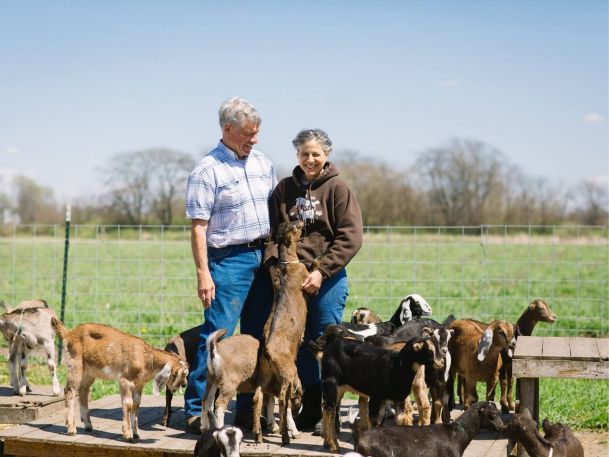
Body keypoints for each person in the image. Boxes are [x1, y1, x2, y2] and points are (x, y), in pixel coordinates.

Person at [184, 97, 277, 433]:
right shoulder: (207, 170)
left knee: (256, 337)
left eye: (256, 133)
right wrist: (203, 273)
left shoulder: (263, 163)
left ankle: (245, 409)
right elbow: (198, 226)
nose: (254, 139)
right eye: (248, 133)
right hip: (227, 260)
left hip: (262, 257)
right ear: (227, 129)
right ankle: (197, 409)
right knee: (216, 336)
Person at [263, 128, 363, 430]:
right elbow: (272, 235)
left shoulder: (338, 190)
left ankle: (327, 406)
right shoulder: (283, 190)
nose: (310, 159)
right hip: (290, 279)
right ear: (297, 155)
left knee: (325, 341)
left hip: (326, 277)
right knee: (297, 342)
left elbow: (350, 237)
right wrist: (276, 272)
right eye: (304, 154)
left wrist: (321, 271)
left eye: (315, 154)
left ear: (327, 155)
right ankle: (306, 401)